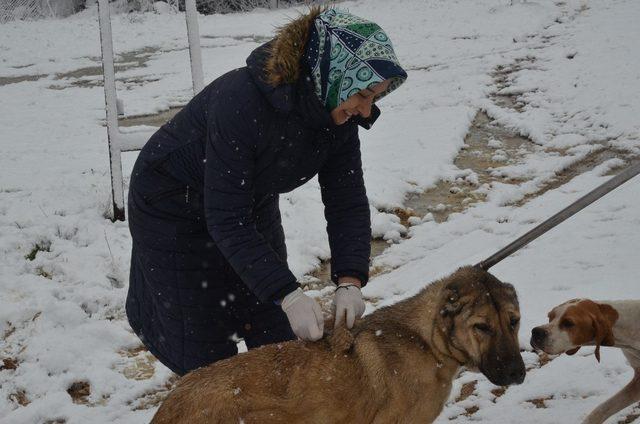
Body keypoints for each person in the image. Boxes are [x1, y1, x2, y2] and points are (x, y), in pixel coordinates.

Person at [126, 6, 407, 376]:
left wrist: (350, 279)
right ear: (335, 74)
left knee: (274, 330)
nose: (367, 110)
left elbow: (347, 201)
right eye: (364, 95)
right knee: (207, 352)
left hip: (246, 197)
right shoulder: (241, 102)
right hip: (170, 205)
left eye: (375, 98)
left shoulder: (337, 115)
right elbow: (227, 219)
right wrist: (289, 295)